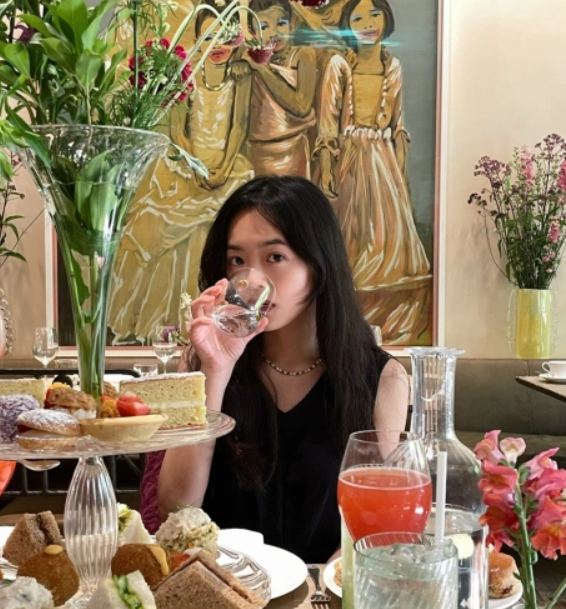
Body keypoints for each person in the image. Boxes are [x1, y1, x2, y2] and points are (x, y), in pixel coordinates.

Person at [140, 176, 409, 562]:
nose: (251, 281)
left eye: (275, 257)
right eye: (237, 261)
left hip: (323, 590)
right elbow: (177, 510)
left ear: (318, 263)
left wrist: (331, 582)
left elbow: (376, 522)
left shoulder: (382, 379)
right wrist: (216, 370)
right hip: (223, 584)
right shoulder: (202, 363)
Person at [109, 8, 253, 342]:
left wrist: (223, 169)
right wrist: (197, 167)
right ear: (199, 38)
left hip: (227, 167)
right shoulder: (185, 76)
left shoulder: (241, 75)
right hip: (185, 165)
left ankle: (222, 328)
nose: (218, 45)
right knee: (161, 231)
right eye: (210, 36)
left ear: (236, 39)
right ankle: (168, 325)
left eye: (225, 37)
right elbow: (178, 131)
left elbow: (239, 127)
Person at [314, 0, 431, 344]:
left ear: (386, 18)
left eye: (374, 14)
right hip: (350, 161)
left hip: (384, 163)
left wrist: (402, 178)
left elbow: (398, 125)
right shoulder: (339, 65)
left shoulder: (393, 66)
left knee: (388, 239)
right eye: (358, 17)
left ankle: (387, 326)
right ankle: (349, 324)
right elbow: (327, 123)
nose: (367, 23)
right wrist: (327, 167)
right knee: (355, 239)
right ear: (347, 25)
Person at [243, 0, 317, 177]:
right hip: (258, 151)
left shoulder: (303, 55)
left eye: (281, 23)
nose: (274, 32)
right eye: (263, 26)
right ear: (253, 31)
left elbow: (301, 106)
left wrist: (261, 69)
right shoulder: (248, 57)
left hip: (293, 149)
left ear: (292, 25)